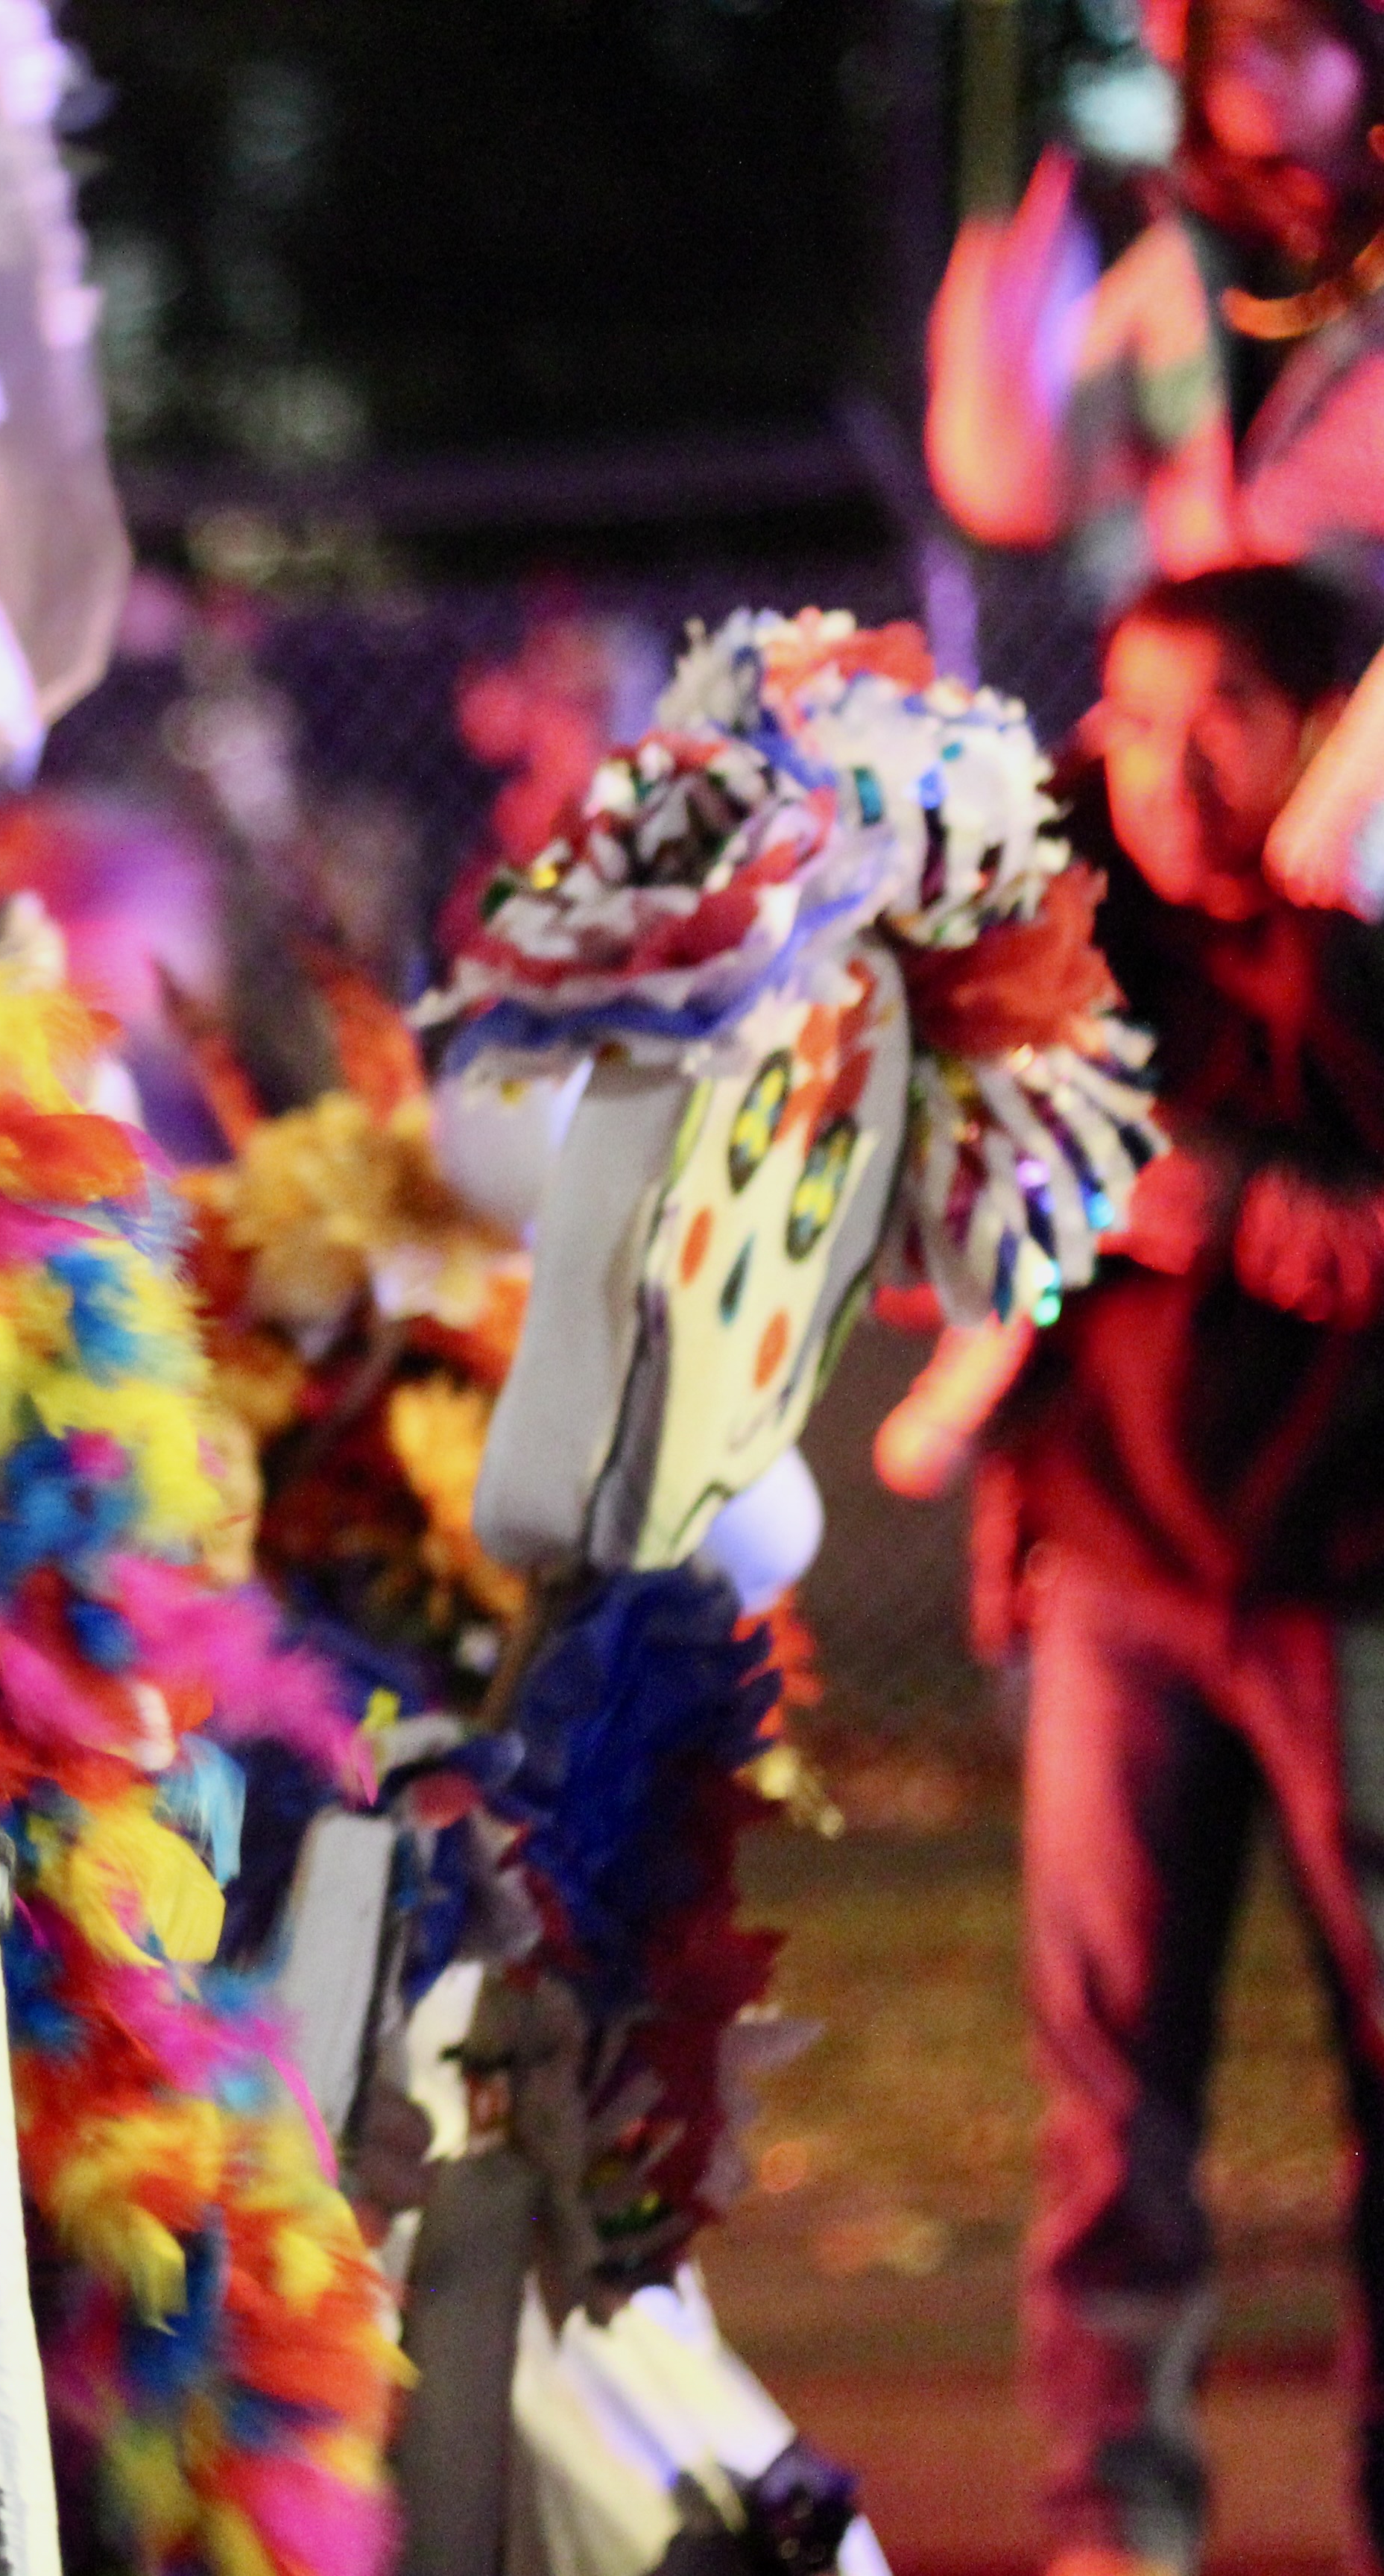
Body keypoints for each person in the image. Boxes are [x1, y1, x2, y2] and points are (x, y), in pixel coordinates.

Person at [966, 564, 1384, 2575]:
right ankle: (1109, 2532)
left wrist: (1206, 1198)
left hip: (1355, 1592)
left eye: (1216, 713)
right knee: (1109, 2114)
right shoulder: (1069, 950)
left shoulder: (1362, 961)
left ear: (1320, 725)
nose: (1163, 764)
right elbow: (968, 1239)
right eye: (1128, 719)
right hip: (1123, 1590)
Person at [929, 0, 1384, 584]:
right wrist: (988, 331)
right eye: (1218, 44)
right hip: (1192, 650)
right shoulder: (1174, 275)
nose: (1247, 65)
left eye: (1280, 36)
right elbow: (1013, 490)